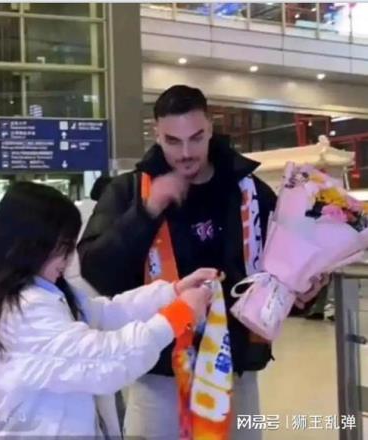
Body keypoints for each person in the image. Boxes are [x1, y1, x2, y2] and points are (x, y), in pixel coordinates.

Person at [78, 85, 325, 439]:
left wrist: (303, 293)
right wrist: (147, 212)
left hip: (235, 368)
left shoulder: (251, 193)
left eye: (195, 138)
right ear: (156, 133)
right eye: (173, 141)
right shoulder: (129, 192)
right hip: (159, 372)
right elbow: (97, 270)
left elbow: (283, 269)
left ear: (210, 127)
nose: (186, 153)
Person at [0, 181, 217, 438]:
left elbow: (105, 314)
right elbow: (105, 360)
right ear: (30, 244)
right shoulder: (27, 312)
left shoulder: (42, 294)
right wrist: (178, 315)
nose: (68, 260)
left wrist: (173, 293)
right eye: (62, 248)